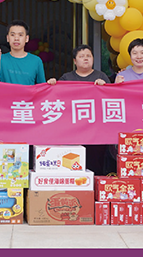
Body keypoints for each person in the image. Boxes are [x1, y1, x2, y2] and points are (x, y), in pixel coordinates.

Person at [47, 44, 112, 175]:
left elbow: (111, 100)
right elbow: (56, 99)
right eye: (81, 56)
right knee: (72, 162)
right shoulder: (66, 78)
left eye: (88, 56)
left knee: (96, 164)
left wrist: (105, 87)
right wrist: (52, 85)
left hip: (96, 130)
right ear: (75, 61)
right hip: (72, 130)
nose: (86, 58)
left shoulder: (101, 77)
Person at [0, 20, 46, 85]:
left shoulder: (36, 61)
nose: (16, 38)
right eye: (12, 35)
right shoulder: (1, 59)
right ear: (8, 38)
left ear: (27, 38)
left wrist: (51, 84)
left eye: (20, 35)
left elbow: (42, 86)